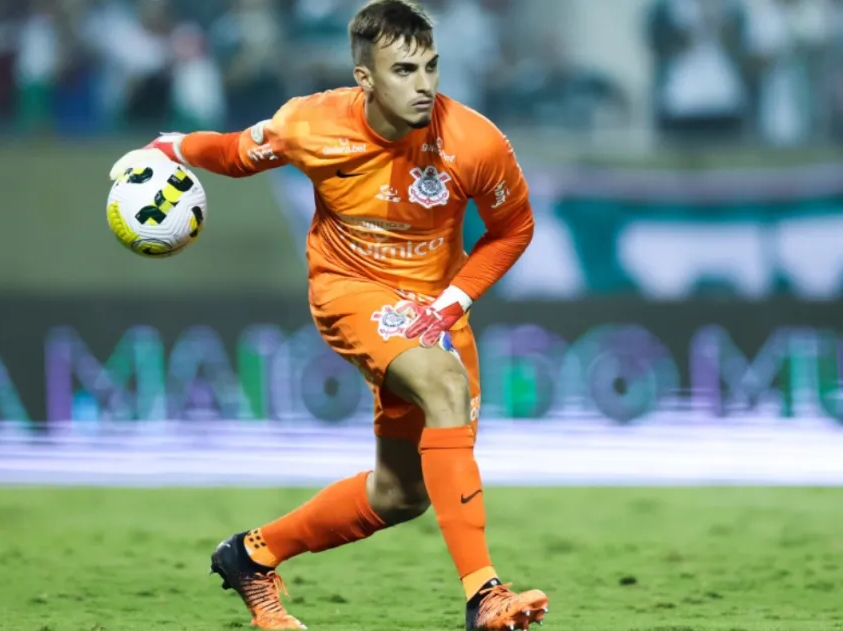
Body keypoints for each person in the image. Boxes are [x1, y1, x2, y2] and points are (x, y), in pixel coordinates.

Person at [108, 1, 546, 629]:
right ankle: (486, 596)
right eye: (403, 70)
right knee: (446, 387)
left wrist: (456, 298)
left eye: (431, 67)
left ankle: (251, 556)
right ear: (364, 78)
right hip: (350, 291)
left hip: (433, 309)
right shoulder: (310, 125)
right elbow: (235, 153)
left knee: (401, 496)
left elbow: (513, 229)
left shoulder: (474, 141)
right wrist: (170, 145)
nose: (423, 85)